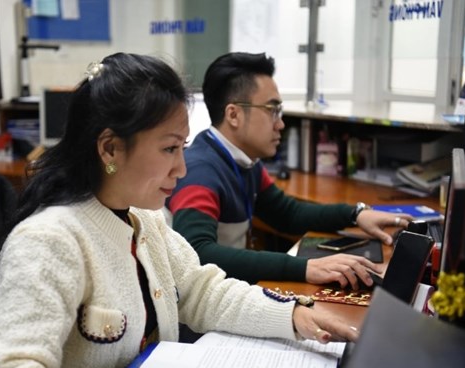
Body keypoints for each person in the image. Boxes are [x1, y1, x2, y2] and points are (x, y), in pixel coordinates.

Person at [0, 52, 359, 368]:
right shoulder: (48, 242)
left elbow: (202, 291)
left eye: (183, 148)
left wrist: (293, 315)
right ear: (110, 149)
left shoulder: (144, 219)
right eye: (170, 149)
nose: (182, 169)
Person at [166, 52, 412, 290]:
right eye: (272, 110)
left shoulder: (246, 161)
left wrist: (355, 214)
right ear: (233, 115)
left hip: (228, 289)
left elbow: (287, 214)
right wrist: (305, 268)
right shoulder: (200, 170)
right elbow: (197, 252)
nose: (280, 123)